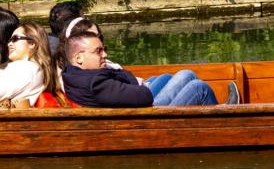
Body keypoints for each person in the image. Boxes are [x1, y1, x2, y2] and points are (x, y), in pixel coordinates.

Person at [60, 20, 235, 107]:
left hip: (138, 111)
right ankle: (225, 122)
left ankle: (219, 109)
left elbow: (127, 83)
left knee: (186, 74)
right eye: (98, 51)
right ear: (79, 58)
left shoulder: (73, 73)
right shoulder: (95, 83)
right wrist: (137, 85)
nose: (105, 54)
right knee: (198, 88)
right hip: (147, 121)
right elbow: (144, 95)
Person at [0, 22, 59, 109]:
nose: (9, 44)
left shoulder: (29, 70)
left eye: (15, 39)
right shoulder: (19, 66)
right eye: (10, 40)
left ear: (32, 43)